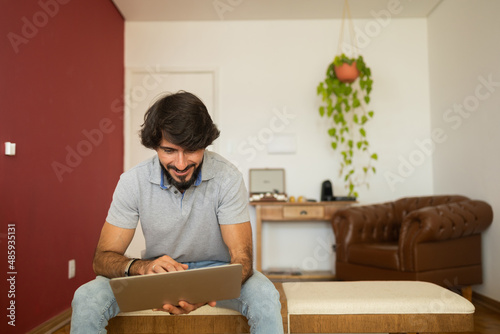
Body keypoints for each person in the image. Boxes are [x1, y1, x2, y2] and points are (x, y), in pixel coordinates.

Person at [70, 91, 284, 333]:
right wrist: (141, 267)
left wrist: (204, 291)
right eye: (169, 151)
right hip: (155, 276)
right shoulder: (133, 181)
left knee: (266, 295)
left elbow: (242, 261)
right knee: (86, 297)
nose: (181, 165)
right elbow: (102, 258)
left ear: (205, 143)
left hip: (216, 275)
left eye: (191, 150)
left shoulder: (228, 177)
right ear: (155, 146)